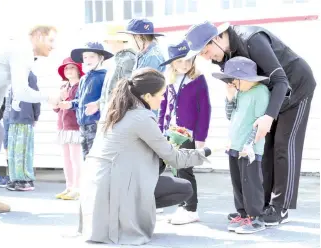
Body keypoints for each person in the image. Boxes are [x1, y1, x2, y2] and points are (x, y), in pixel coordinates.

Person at [184, 21, 316, 225]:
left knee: (283, 145)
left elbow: (281, 81)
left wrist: (269, 116)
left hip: (296, 87)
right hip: (268, 94)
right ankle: (260, 205)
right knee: (263, 146)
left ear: (216, 38)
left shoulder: (252, 40)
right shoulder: (222, 56)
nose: (206, 57)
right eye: (201, 55)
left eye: (205, 50)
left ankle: (280, 208)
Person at [78, 67, 212, 245]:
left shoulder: (114, 111)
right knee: (184, 188)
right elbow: (175, 158)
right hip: (115, 186)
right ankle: (126, 219)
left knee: (156, 173)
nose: (163, 98)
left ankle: (123, 216)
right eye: (161, 94)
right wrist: (205, 152)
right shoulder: (141, 117)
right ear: (147, 96)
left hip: (95, 189)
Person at [0, 25, 60, 213]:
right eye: (51, 40)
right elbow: (21, 92)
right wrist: (48, 98)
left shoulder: (14, 52)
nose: (53, 46)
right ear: (38, 36)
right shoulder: (23, 50)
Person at [212, 56, 270, 233]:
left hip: (249, 148)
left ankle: (256, 217)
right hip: (234, 146)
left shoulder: (261, 92)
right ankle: (243, 213)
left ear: (244, 78)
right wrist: (229, 97)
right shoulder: (240, 92)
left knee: (250, 183)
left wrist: (249, 145)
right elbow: (231, 116)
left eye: (233, 80)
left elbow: (261, 123)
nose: (231, 83)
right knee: (237, 181)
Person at [158, 39, 211, 225]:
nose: (184, 64)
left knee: (185, 171)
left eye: (188, 60)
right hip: (171, 132)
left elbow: (205, 110)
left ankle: (191, 209)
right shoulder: (169, 80)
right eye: (179, 61)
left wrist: (201, 138)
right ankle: (182, 206)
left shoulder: (197, 80)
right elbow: (163, 107)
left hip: (188, 134)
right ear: (172, 63)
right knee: (175, 170)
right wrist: (159, 131)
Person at [58, 42, 112, 159]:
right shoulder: (83, 78)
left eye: (92, 56)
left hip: (96, 124)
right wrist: (70, 104)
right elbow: (79, 100)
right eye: (85, 57)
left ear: (101, 58)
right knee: (86, 159)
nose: (88, 59)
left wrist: (97, 106)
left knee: (97, 159)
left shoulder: (105, 76)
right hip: (82, 125)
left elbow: (109, 98)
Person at [84, 24, 136, 117]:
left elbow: (127, 90)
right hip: (110, 113)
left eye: (109, 40)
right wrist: (98, 104)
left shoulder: (128, 59)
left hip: (119, 114)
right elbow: (111, 90)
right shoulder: (115, 60)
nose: (107, 43)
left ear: (117, 40)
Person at [53, 57, 84, 200]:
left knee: (75, 158)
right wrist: (58, 99)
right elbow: (55, 108)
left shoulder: (81, 86)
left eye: (72, 67)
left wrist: (68, 101)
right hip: (62, 126)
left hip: (75, 126)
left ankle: (77, 188)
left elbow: (80, 104)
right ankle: (69, 186)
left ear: (78, 70)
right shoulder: (63, 87)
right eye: (66, 68)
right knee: (66, 158)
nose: (68, 70)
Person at [6, 71, 40, 191]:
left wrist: (36, 115)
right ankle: (15, 178)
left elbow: (36, 96)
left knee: (23, 150)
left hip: (25, 118)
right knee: (13, 151)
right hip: (12, 119)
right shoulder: (13, 75)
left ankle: (26, 180)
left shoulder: (29, 75)